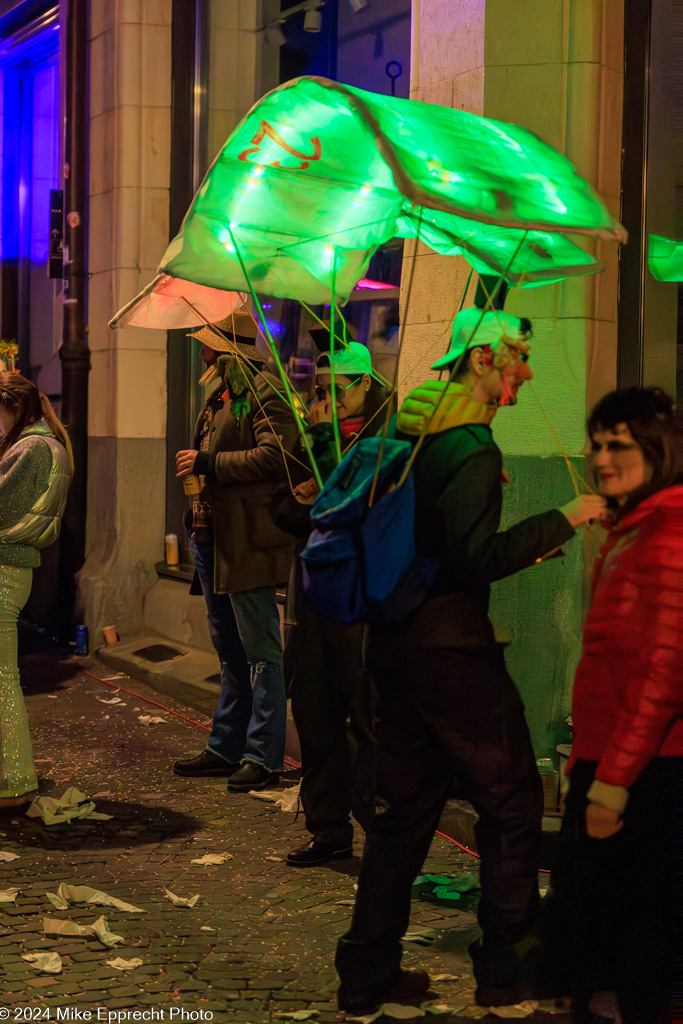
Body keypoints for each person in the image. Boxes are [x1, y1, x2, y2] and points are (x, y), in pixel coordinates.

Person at [334, 305, 606, 1015]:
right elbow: (470, 558)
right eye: (515, 356)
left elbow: (435, 539)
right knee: (511, 799)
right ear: (481, 361)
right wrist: (564, 518)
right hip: (451, 653)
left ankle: (365, 974)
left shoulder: (417, 428)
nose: (525, 371)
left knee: (405, 812)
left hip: (395, 645)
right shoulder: (472, 447)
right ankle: (506, 971)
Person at [549, 387, 681, 1024]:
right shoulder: (638, 525)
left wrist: (612, 786)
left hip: (644, 775)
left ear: (659, 450)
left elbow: (663, 671)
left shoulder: (668, 531)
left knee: (630, 948)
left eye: (618, 444)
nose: (602, 458)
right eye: (597, 443)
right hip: (613, 762)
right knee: (605, 943)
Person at [173, 312, 300, 792]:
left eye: (206, 346)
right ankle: (226, 746)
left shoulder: (265, 391)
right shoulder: (221, 397)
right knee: (228, 648)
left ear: (224, 352)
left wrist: (210, 462)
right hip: (212, 537)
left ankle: (263, 756)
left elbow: (278, 457)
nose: (201, 354)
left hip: (247, 541)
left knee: (262, 653)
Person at [286, 334, 395, 867]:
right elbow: (295, 509)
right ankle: (327, 827)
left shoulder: (382, 439)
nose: (326, 397)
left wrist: (322, 446)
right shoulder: (321, 433)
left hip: (359, 598)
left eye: (338, 388)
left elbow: (345, 502)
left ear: (366, 387)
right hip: (315, 595)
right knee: (315, 711)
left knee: (365, 717)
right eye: (319, 387)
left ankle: (383, 827)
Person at [0, 373, 73, 809]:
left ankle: (12, 781)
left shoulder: (31, 448)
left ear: (13, 407)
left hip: (5, 568)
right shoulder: (41, 444)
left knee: (3, 679)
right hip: (12, 567)